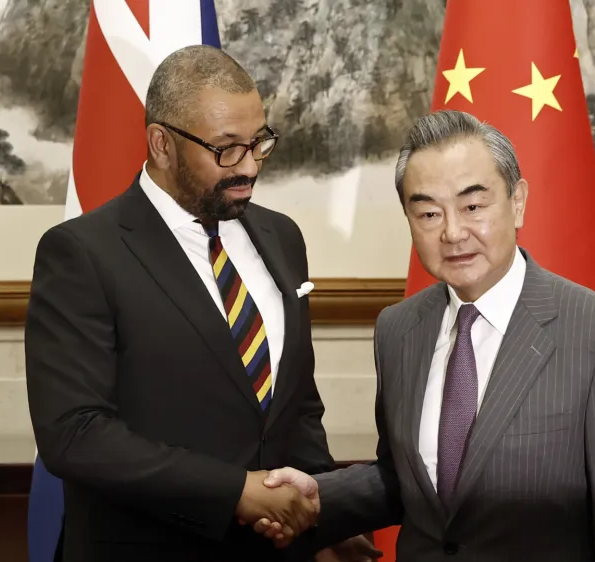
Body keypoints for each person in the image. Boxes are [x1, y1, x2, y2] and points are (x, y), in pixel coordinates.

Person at [259, 109, 595, 561]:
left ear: (517, 201)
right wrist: (319, 497)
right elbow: (411, 478)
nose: (453, 232)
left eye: (473, 206)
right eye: (429, 213)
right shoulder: (399, 330)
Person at [25, 45, 369, 562]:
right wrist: (234, 491)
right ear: (162, 143)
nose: (250, 165)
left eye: (259, 143)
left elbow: (295, 406)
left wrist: (324, 515)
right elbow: (75, 435)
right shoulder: (81, 253)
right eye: (227, 148)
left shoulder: (281, 237)